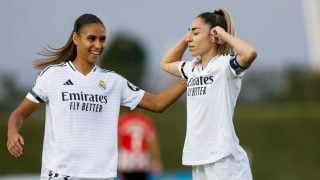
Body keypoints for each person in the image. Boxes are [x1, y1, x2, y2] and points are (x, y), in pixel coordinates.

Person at [7, 13, 186, 180]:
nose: (98, 45)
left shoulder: (114, 82)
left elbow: (157, 103)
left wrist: (189, 79)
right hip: (60, 174)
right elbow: (18, 114)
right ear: (76, 39)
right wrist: (12, 132)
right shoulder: (52, 75)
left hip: (101, 176)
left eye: (102, 39)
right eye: (91, 38)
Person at [160, 7, 257, 180]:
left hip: (223, 158)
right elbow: (166, 63)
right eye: (188, 32)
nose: (189, 38)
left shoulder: (224, 65)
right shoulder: (192, 68)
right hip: (198, 157)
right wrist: (187, 37)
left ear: (213, 36)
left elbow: (249, 53)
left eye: (195, 33)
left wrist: (222, 33)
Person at [117, 108, 162, 180]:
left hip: (126, 160)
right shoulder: (146, 121)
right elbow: (152, 142)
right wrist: (156, 160)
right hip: (143, 159)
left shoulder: (122, 121)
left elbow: (118, 142)